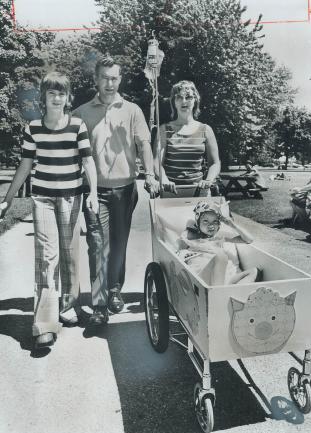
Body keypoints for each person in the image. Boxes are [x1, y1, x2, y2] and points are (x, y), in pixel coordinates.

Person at [0, 71, 98, 350]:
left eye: (62, 93)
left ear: (68, 98)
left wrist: (92, 193)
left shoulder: (77, 126)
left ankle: (68, 307)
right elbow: (25, 165)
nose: (57, 98)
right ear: (43, 97)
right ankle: (44, 324)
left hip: (72, 197)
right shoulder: (33, 128)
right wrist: (8, 199)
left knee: (69, 254)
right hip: (42, 198)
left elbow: (88, 162)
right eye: (52, 93)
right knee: (47, 256)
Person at [73, 55, 158, 325]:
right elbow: (71, 153)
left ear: (119, 80)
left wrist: (151, 175)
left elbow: (144, 144)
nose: (109, 83)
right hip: (94, 192)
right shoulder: (80, 114)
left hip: (125, 190)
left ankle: (114, 290)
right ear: (96, 80)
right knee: (97, 246)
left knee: (118, 245)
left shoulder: (132, 110)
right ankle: (99, 307)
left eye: (114, 78)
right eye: (104, 78)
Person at [153, 80, 220, 194]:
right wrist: (164, 180)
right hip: (171, 192)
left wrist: (208, 180)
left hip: (199, 193)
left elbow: (215, 163)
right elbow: (156, 162)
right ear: (174, 102)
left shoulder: (206, 130)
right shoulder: (164, 129)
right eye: (179, 97)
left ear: (195, 100)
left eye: (188, 97)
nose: (184, 101)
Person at [177, 200, 260, 285]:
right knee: (221, 255)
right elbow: (181, 252)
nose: (211, 225)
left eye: (215, 222)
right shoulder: (189, 236)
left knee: (254, 271)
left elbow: (249, 239)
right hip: (205, 276)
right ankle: (219, 293)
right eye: (206, 221)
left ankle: (230, 293)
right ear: (198, 222)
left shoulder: (219, 237)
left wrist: (232, 225)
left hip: (224, 278)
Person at [287, 155, 311, 230]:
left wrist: (300, 189)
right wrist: (299, 190)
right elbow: (308, 185)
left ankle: (304, 220)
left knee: (296, 200)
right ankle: (304, 220)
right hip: (310, 194)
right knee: (292, 199)